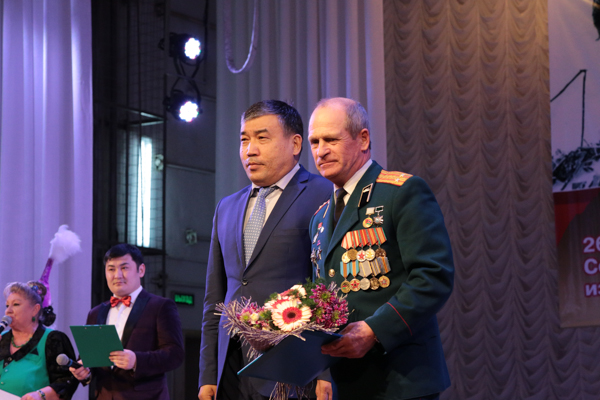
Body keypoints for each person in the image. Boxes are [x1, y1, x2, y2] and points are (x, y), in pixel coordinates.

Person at [307, 97, 454, 400]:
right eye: (315, 142)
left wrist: (375, 330)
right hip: (346, 381)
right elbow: (325, 296)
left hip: (402, 380)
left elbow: (432, 277)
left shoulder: (402, 192)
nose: (321, 151)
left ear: (363, 139)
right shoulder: (319, 219)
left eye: (331, 140)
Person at [198, 100, 332, 400]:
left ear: (295, 144)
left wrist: (325, 370)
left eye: (262, 138)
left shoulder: (323, 194)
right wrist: (208, 374)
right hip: (231, 367)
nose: (250, 150)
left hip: (291, 367)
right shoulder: (226, 207)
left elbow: (329, 289)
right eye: (244, 140)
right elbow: (214, 297)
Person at [70, 244, 184, 400]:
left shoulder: (160, 306)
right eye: (111, 269)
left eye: (124, 268)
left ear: (141, 270)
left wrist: (137, 360)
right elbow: (90, 359)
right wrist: (85, 371)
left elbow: (175, 354)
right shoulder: (95, 313)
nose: (117, 275)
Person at [0, 281, 79, 399]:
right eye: (7, 306)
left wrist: (41, 395)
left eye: (16, 304)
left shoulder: (53, 340)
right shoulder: (2, 339)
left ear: (35, 310)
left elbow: (66, 380)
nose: (8, 311)